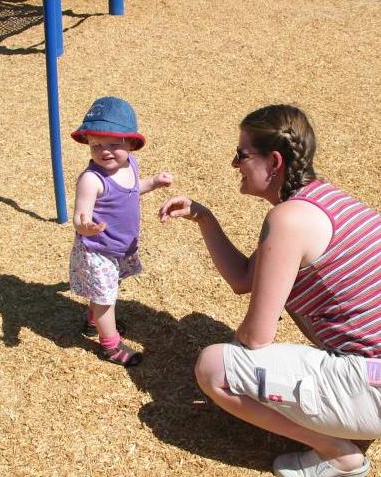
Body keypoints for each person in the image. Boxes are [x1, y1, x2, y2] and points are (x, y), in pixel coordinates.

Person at [159, 104, 380, 477]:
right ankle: (345, 414)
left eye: (242, 154)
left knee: (215, 368)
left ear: (274, 161)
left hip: (373, 386)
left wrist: (239, 350)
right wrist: (204, 218)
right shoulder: (321, 200)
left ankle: (339, 454)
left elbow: (257, 338)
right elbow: (245, 278)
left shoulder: (288, 219)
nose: (235, 164)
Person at [70, 96, 172, 367]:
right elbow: (80, 216)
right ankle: (110, 345)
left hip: (119, 246)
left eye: (114, 144)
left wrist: (154, 182)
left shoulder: (129, 166)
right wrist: (85, 226)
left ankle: (93, 320)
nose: (105, 151)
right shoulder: (91, 179)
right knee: (106, 299)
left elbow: (133, 188)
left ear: (130, 143)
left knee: (107, 289)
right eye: (96, 145)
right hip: (97, 250)